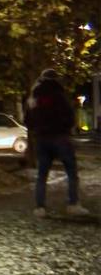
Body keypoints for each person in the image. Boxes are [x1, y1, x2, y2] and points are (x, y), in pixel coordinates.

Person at [26, 69, 89, 217]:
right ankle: (73, 204)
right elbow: (69, 116)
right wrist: (65, 127)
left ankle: (40, 207)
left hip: (41, 138)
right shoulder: (59, 95)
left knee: (42, 175)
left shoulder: (33, 97)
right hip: (60, 137)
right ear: (56, 79)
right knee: (71, 172)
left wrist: (37, 130)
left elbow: (28, 120)